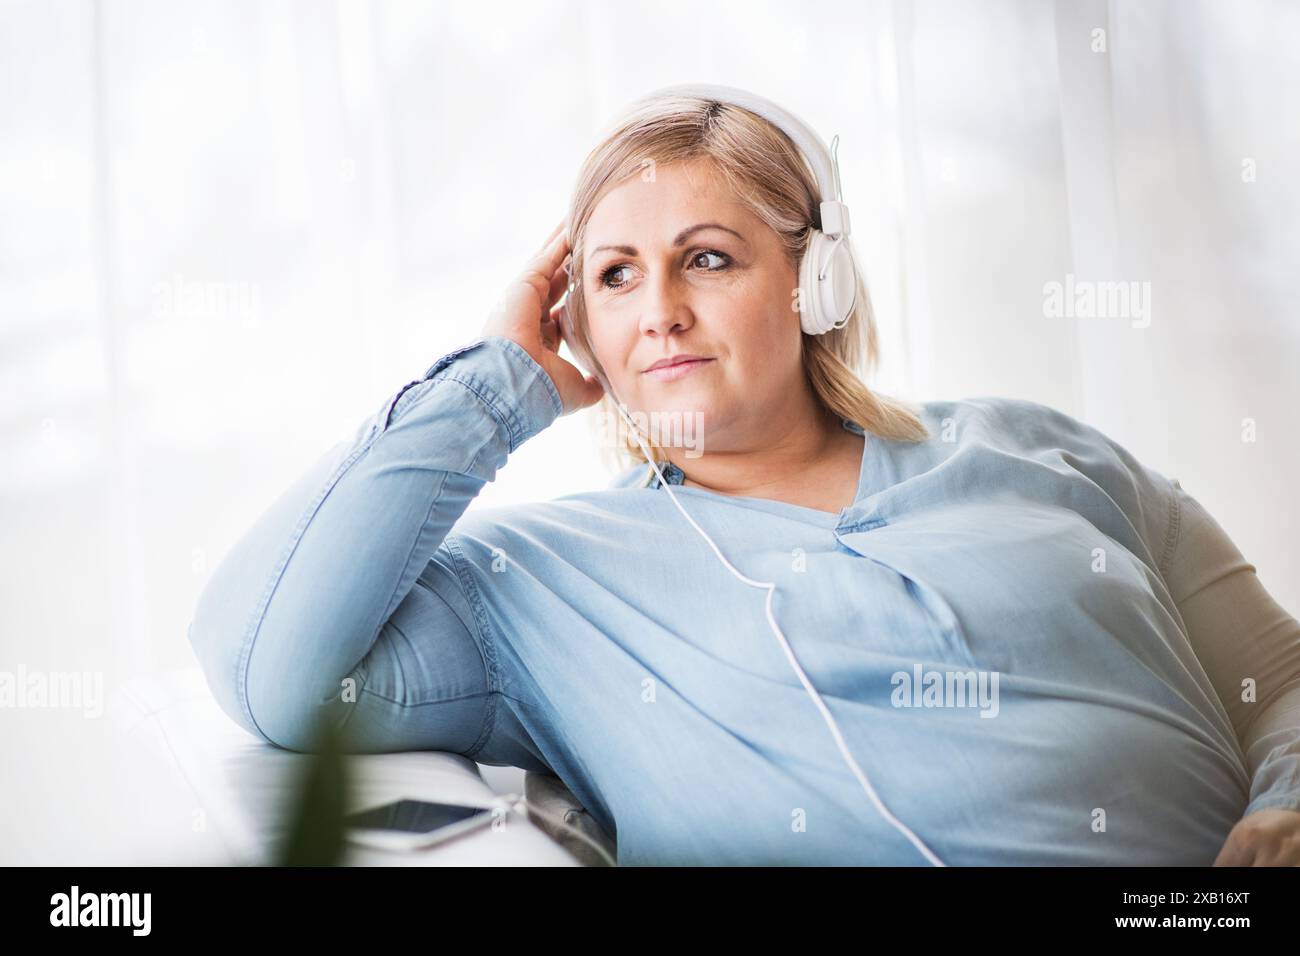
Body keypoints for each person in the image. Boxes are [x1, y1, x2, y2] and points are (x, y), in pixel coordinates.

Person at [188, 91, 1300, 866]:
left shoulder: (1050, 449)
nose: (659, 307)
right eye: (613, 276)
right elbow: (262, 662)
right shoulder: (532, 585)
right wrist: (495, 386)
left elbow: (1278, 673)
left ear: (816, 281)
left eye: (705, 258)